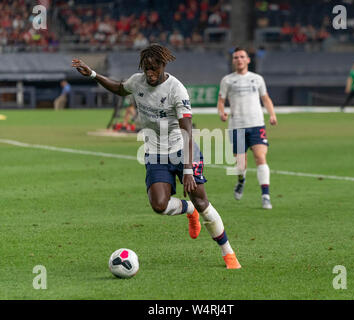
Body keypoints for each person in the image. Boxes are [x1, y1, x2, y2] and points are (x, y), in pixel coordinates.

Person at [72, 44, 241, 269]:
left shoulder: (176, 89)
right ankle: (188, 210)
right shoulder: (137, 81)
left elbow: (187, 130)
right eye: (146, 68)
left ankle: (228, 253)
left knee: (201, 200)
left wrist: (188, 169)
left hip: (183, 149)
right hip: (155, 152)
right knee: (159, 205)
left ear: (163, 65)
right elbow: (120, 88)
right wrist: (93, 74)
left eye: (154, 68)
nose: (150, 73)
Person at [217, 47, 277, 210]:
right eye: (236, 57)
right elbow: (221, 100)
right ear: (233, 61)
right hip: (237, 126)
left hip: (257, 124)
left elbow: (266, 98)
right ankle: (241, 180)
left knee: (260, 157)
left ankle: (265, 195)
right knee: (241, 164)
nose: (239, 59)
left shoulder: (257, 79)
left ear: (248, 60)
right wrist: (222, 113)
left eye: (242, 57)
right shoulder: (227, 80)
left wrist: (272, 114)